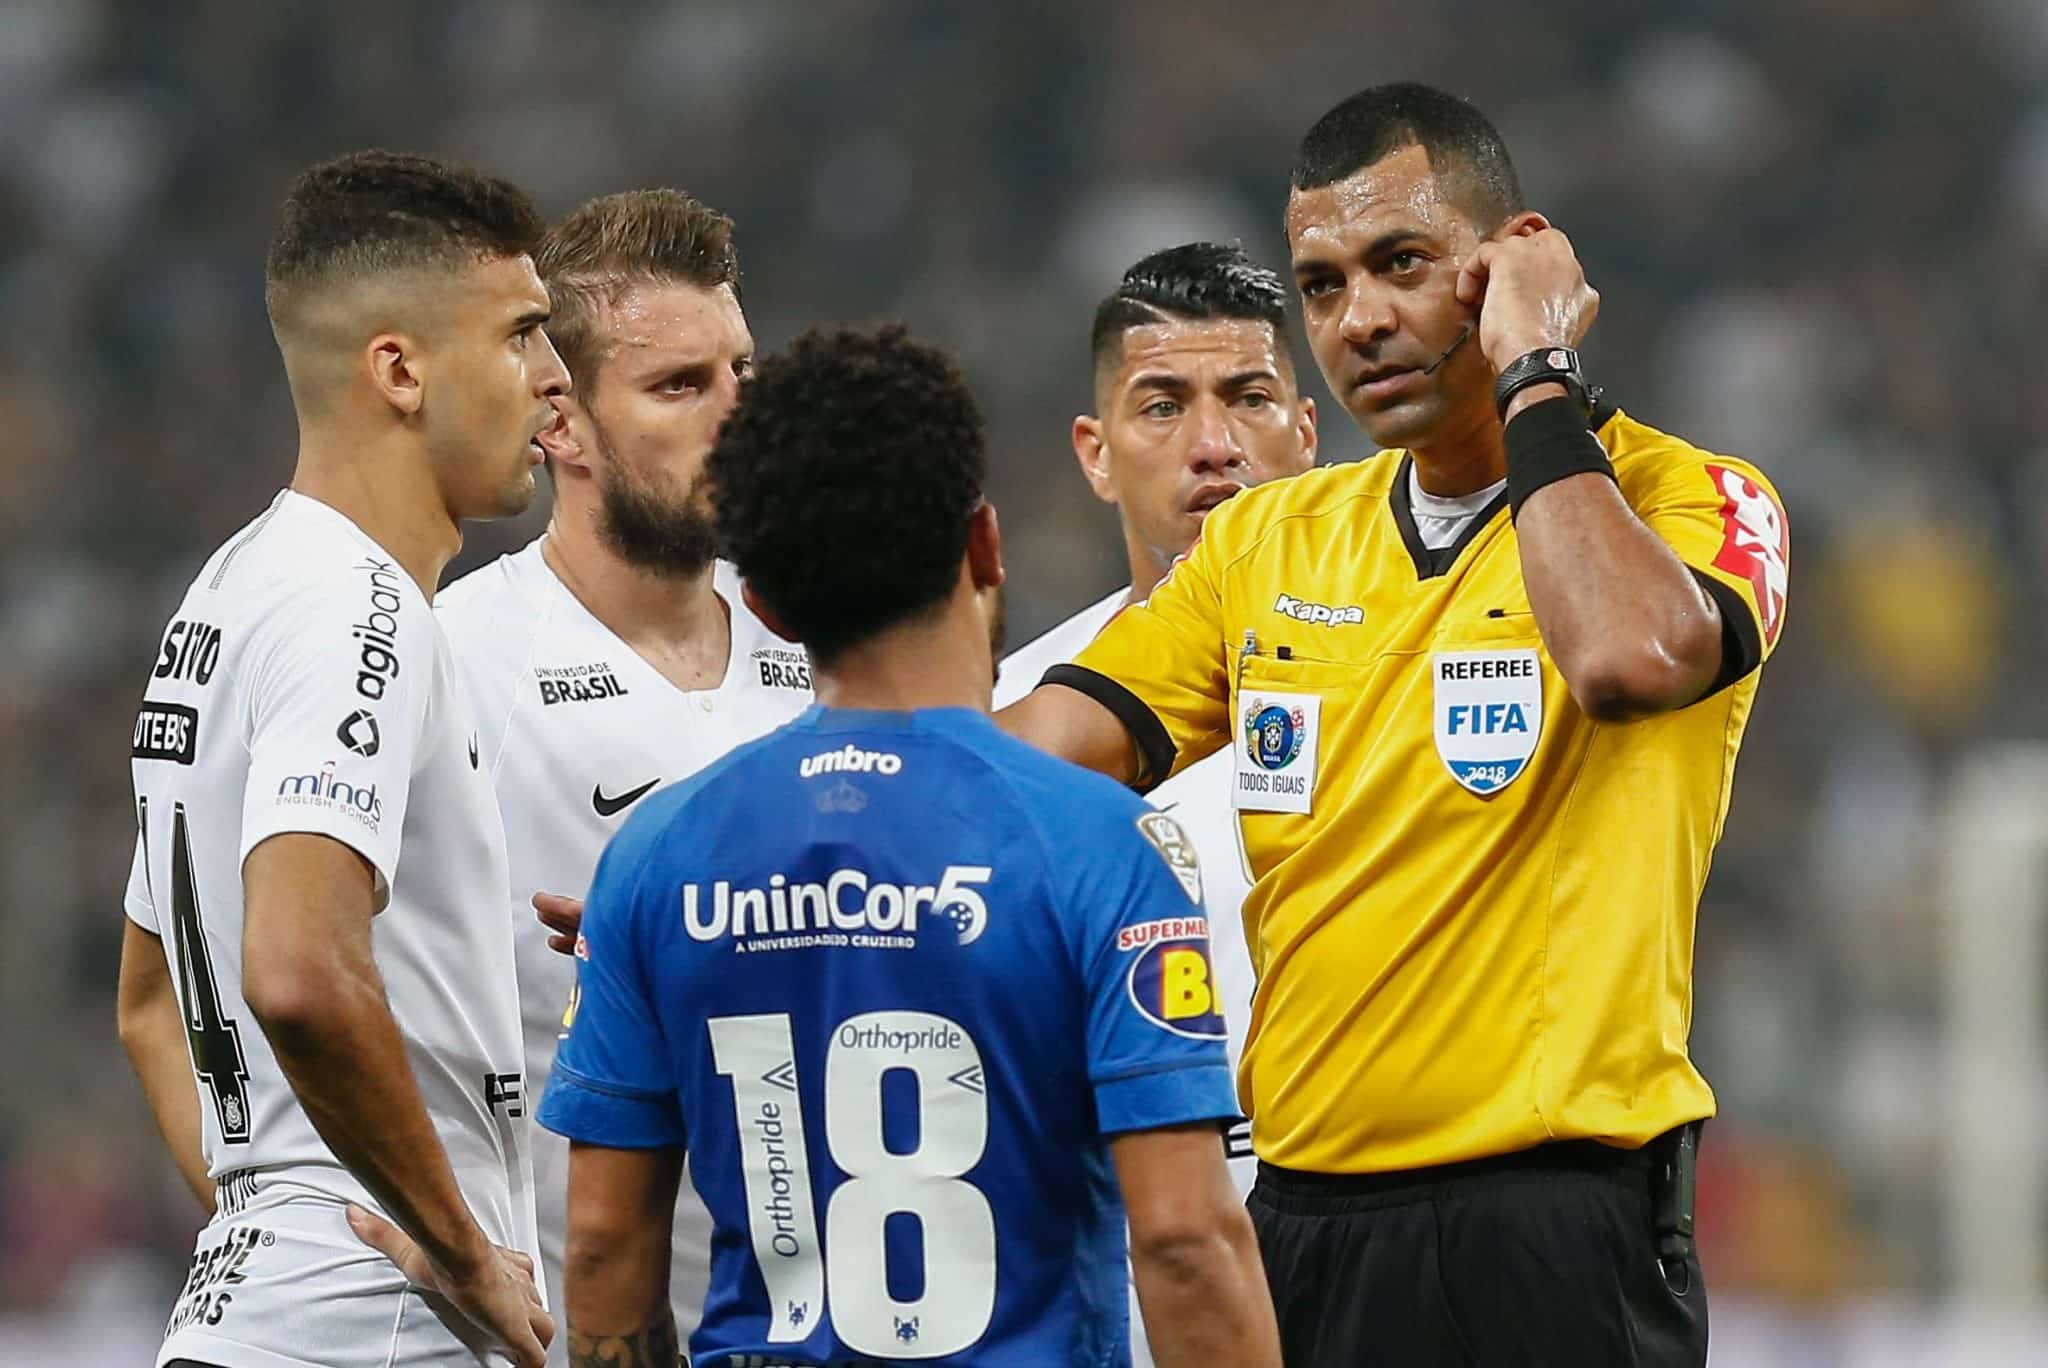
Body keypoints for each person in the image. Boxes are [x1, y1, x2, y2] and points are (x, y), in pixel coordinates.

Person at [1000, 83, 1790, 1365]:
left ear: (1512, 262)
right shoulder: (1268, 540)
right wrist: (774, 834)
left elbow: (1621, 656)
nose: (1358, 319)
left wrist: (1535, 372)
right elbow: (1034, 760)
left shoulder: (1691, 499)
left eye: (1402, 265)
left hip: (1559, 1231)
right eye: (1320, 287)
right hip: (1306, 1235)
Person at [536, 325, 1281, 1366]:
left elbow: (606, 1251)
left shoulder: (655, 856)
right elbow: (1186, 1241)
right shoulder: (1098, 841)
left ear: (765, 607)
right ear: (981, 542)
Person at [116, 151, 567, 1368]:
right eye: (523, 332)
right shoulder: (356, 615)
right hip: (371, 1335)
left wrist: (275, 1225)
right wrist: (458, 1247)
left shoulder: (228, 592)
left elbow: (152, 1006)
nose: (554, 376)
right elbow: (299, 969)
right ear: (400, 370)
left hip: (266, 1315)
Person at [435, 188, 812, 1362]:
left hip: (817, 1328)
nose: (738, 415)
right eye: (681, 387)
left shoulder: (830, 645)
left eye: (743, 372)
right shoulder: (454, 660)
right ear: (562, 425)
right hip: (557, 1333)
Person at [993, 240, 1314, 1366]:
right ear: (1094, 453)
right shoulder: (1016, 710)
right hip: (1099, 1267)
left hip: (1353, 1243)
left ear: (1307, 436)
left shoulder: (1399, 682)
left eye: (1249, 399)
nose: (1213, 446)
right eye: (1161, 406)